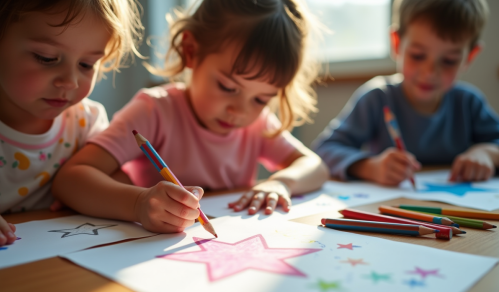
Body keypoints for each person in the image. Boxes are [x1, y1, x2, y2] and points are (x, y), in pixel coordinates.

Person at [53, 0, 329, 234]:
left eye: (261, 99)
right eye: (228, 87)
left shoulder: (258, 123)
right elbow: (72, 179)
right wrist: (138, 203)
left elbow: (314, 165)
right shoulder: (154, 111)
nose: (240, 111)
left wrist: (282, 182)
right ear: (191, 51)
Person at [0, 0, 143, 246]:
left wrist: (145, 202)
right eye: (46, 58)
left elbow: (115, 183)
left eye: (86, 64)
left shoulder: (86, 121)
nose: (71, 81)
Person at [312, 0, 499, 186]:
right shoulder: (377, 98)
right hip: (388, 208)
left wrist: (487, 153)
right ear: (396, 43)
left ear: (470, 56)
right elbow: (324, 150)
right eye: (417, 55)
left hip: (460, 212)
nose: (429, 73)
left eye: (449, 61)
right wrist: (371, 167)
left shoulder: (468, 103)